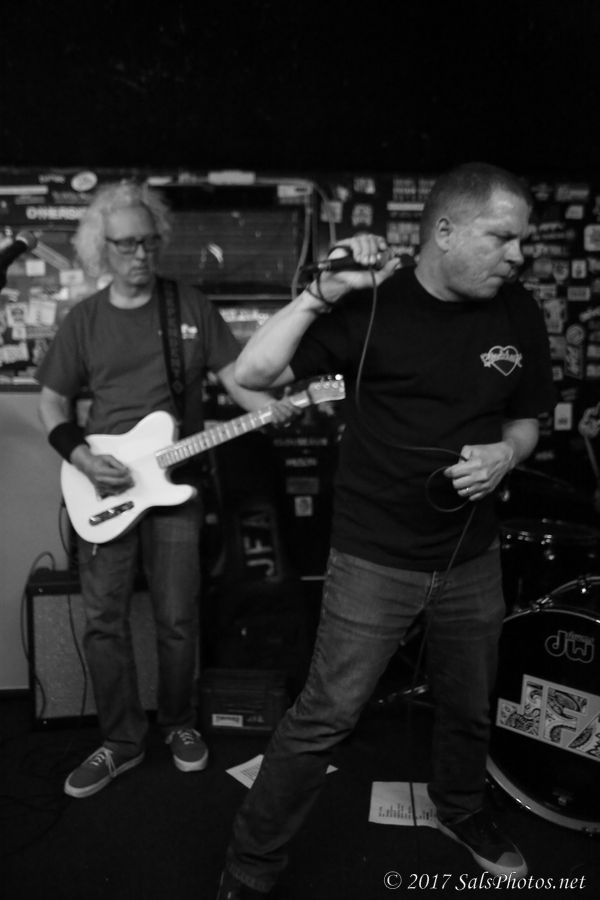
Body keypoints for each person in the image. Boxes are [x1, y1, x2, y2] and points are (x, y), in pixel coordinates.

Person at [216, 162, 557, 898]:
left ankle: (460, 810)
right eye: (502, 237)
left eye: (522, 241)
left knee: (468, 705)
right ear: (445, 231)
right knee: (325, 716)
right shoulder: (373, 306)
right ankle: (250, 862)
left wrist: (506, 453)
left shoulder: (518, 310)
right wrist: (320, 293)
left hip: (471, 554)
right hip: (373, 558)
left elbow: (528, 419)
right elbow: (254, 371)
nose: (517, 255)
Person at [37, 181, 296, 799]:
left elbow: (236, 377)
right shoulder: (84, 320)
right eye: (125, 244)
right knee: (104, 621)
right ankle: (121, 742)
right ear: (101, 249)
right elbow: (52, 401)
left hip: (177, 485)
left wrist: (270, 409)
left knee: (178, 616)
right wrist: (81, 457)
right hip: (103, 485)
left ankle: (179, 723)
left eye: (149, 241)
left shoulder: (189, 306)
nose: (140, 254)